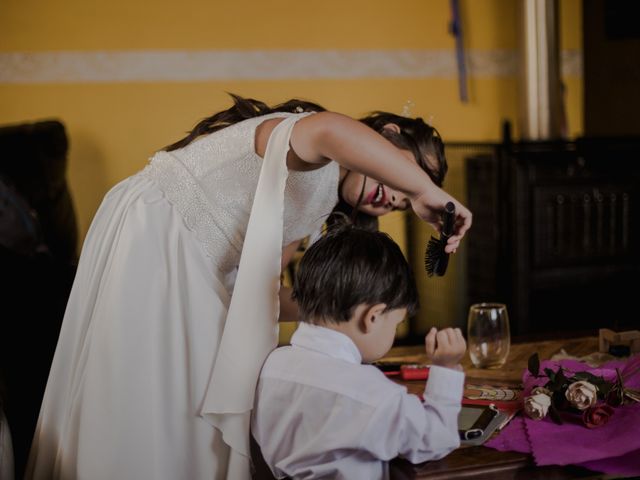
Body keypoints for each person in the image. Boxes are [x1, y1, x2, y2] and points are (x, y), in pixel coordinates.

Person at [25, 93, 472, 480]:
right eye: (407, 173)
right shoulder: (315, 142)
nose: (394, 197)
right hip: (159, 236)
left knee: (184, 416)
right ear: (386, 135)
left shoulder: (312, 202)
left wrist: (337, 306)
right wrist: (422, 192)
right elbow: (336, 130)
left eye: (401, 198)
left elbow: (264, 294)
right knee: (144, 398)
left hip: (201, 273)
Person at [251, 224, 466, 479]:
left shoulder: (271, 366)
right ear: (372, 317)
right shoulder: (372, 394)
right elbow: (437, 439)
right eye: (396, 323)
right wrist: (446, 369)